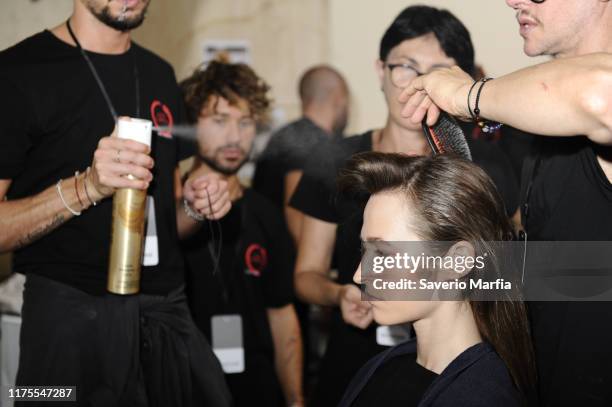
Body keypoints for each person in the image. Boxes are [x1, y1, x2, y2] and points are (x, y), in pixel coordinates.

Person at [0, 1, 232, 405]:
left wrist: (196, 206)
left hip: (164, 314)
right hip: (65, 324)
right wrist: (86, 187)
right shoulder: (17, 72)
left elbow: (170, 221)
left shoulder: (160, 73)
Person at [290, 6, 518, 406]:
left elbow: (512, 270)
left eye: (439, 71)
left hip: (454, 363)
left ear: (462, 80)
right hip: (362, 359)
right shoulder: (336, 163)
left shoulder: (487, 166)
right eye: (406, 68)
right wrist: (338, 294)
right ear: (381, 70)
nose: (420, 85)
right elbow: (306, 272)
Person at [398, 1, 612, 405]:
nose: (515, 0)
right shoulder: (550, 133)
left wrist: (469, 95)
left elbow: (603, 96)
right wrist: (398, 269)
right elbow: (574, 268)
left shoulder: (600, 98)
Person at [336, 152, 534, 407]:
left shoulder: (483, 397)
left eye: (383, 253)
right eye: (366, 250)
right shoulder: (381, 367)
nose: (359, 275)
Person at [179, 60, 304, 407]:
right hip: (183, 387)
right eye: (219, 121)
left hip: (257, 389)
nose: (235, 137)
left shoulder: (266, 214)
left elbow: (282, 316)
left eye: (245, 122)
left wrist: (295, 400)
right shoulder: (168, 211)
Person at [253, 65, 349, 243]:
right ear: (338, 98)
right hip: (292, 263)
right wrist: (317, 267)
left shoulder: (287, 135)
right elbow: (297, 216)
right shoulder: (310, 142)